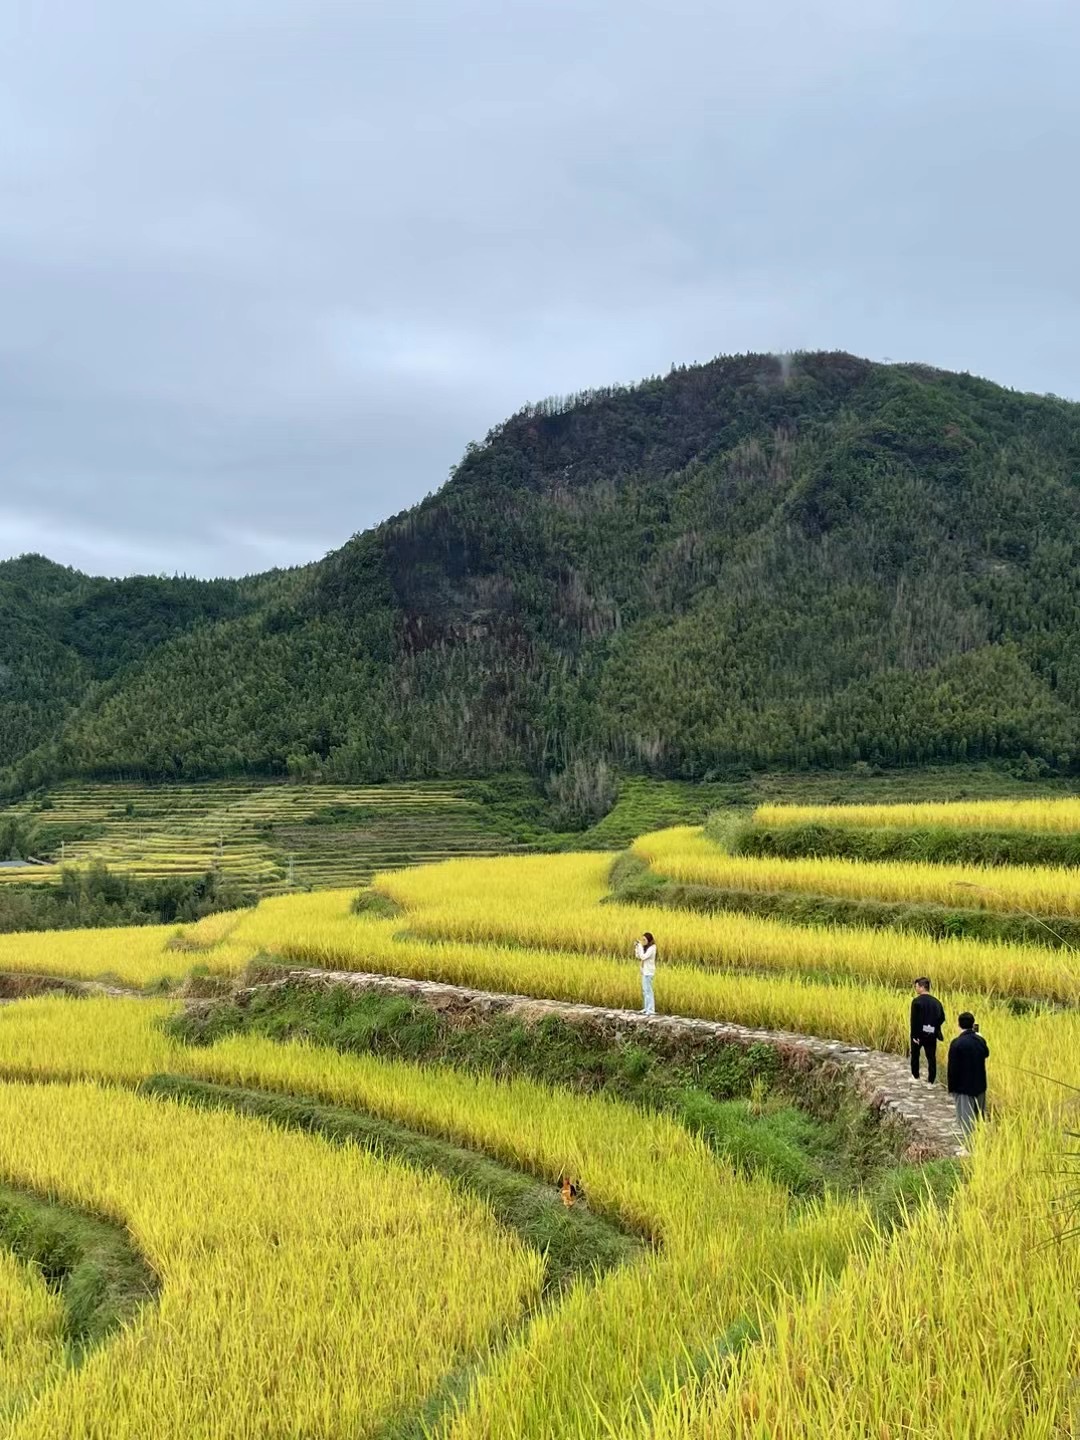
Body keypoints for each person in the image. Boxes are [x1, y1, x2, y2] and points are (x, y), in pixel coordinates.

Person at [948, 1012, 989, 1138]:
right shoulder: (980, 1040)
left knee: (966, 1120)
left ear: (959, 1024)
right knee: (978, 1117)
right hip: (980, 1086)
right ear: (972, 1024)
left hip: (963, 1088)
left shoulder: (957, 1043)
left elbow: (952, 1068)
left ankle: (969, 1148)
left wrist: (952, 1088)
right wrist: (980, 1038)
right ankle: (980, 1143)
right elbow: (986, 1053)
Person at [910, 976, 945, 1083]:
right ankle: (931, 1079)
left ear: (922, 987)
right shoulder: (937, 1002)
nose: (915, 989)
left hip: (919, 1034)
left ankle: (915, 1076)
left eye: (916, 986)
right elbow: (942, 1018)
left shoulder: (916, 1002)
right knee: (931, 1057)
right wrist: (934, 1027)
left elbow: (914, 1021)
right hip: (932, 1033)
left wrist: (915, 1036)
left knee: (915, 1054)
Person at [634, 932, 657, 1016]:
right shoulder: (646, 947)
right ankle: (646, 1008)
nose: (643, 941)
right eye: (642, 939)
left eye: (644, 940)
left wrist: (640, 946)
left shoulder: (652, 948)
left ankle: (651, 1010)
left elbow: (643, 957)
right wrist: (637, 947)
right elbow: (639, 956)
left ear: (649, 940)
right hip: (644, 971)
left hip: (649, 972)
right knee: (645, 991)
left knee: (648, 991)